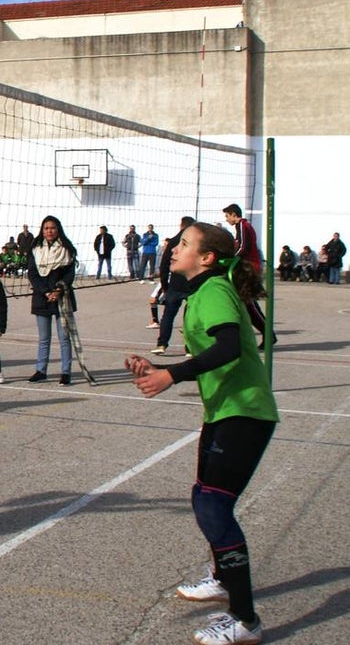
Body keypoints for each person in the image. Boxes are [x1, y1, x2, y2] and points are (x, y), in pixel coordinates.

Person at [124, 221, 278, 645]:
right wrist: (158, 369)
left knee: (213, 507)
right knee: (204, 497)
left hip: (244, 412)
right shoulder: (203, 291)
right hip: (226, 410)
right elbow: (217, 354)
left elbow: (228, 347)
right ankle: (222, 578)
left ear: (207, 258)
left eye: (184, 244)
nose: (174, 247)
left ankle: (245, 622)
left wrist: (170, 375)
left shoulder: (212, 291)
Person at [27, 215, 76, 385]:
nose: (49, 231)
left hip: (62, 297)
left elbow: (70, 274)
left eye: (52, 228)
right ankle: (41, 370)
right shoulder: (35, 248)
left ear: (58, 229)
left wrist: (58, 290)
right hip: (42, 297)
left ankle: (66, 372)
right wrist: (46, 292)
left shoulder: (67, 248)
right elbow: (32, 273)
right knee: (44, 338)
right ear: (42, 230)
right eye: (46, 228)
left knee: (64, 337)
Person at [223, 204, 274, 348]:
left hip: (249, 267)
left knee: (248, 303)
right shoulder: (243, 226)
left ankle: (268, 334)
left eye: (227, 216)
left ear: (234, 214)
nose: (227, 219)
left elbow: (243, 247)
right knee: (246, 303)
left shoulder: (242, 226)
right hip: (249, 266)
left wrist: (232, 258)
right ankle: (268, 334)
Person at [152, 217, 196, 356]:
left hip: (175, 285)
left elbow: (164, 265)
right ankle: (189, 348)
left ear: (180, 226)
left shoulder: (172, 242)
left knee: (168, 316)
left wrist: (165, 286)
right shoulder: (194, 242)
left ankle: (161, 344)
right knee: (190, 318)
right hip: (191, 284)